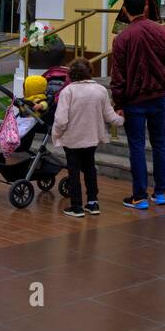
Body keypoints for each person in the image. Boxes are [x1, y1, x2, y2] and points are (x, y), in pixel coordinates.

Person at [110, 0, 165, 210]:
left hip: (134, 100)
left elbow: (118, 75)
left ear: (125, 9)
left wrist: (118, 103)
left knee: (137, 146)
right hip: (159, 96)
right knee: (159, 143)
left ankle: (139, 195)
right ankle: (160, 193)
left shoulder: (122, 38)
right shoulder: (162, 31)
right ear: (146, 6)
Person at [51, 58, 123, 219]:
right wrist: (121, 119)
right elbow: (109, 115)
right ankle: (92, 202)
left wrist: (56, 134)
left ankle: (76, 206)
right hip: (92, 138)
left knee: (74, 171)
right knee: (90, 168)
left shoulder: (67, 92)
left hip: (72, 139)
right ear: (90, 71)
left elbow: (61, 120)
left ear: (71, 74)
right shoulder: (100, 90)